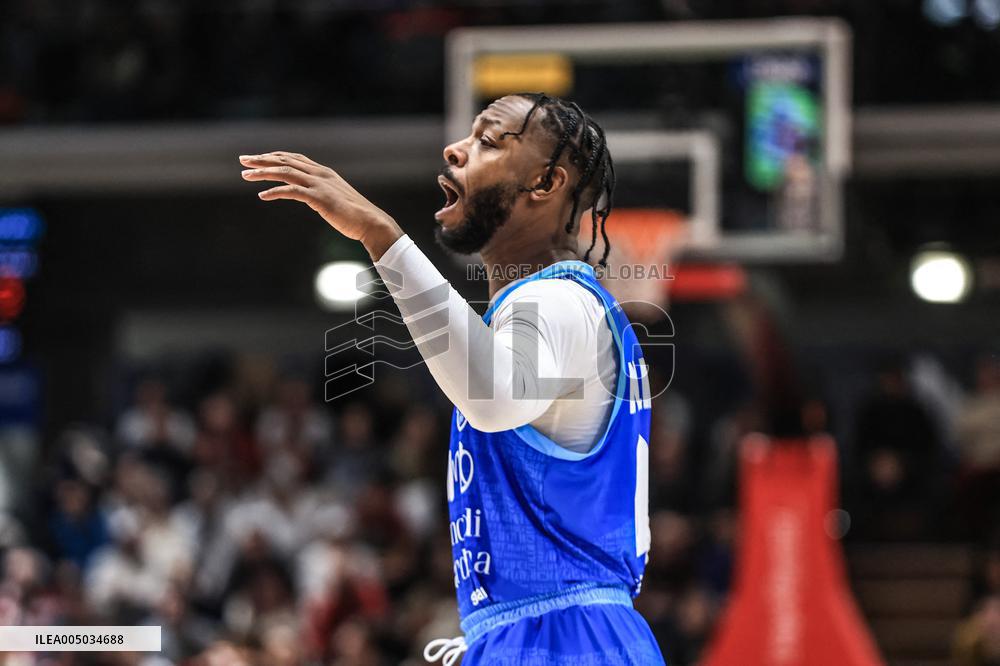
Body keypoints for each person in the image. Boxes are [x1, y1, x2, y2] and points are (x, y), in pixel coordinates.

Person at [240, 93, 663, 665]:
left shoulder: (561, 302)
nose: (455, 149)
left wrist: (380, 235)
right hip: (539, 631)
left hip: (567, 638)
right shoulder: (548, 308)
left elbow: (492, 397)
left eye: (488, 140)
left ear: (545, 182)